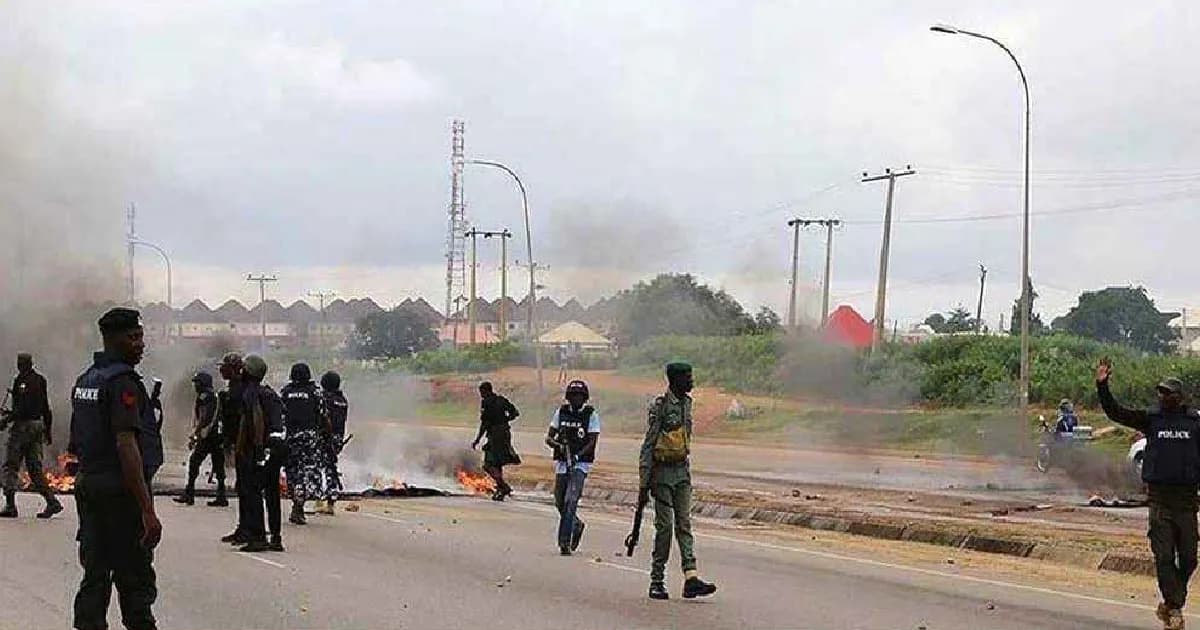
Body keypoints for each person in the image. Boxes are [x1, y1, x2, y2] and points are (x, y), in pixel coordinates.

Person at [69, 307, 164, 630]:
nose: (140, 344)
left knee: (95, 573)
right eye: (133, 337)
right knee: (135, 578)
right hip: (120, 494)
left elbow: (76, 442)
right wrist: (146, 509)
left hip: (90, 487)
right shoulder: (122, 383)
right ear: (113, 339)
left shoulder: (87, 380)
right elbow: (127, 446)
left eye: (141, 336)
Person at [1096, 358, 1198, 630]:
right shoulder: (1152, 419)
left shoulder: (1194, 422)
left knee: (1189, 559)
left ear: (1179, 397)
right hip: (1160, 502)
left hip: (1187, 503)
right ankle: (1174, 609)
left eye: (1168, 393)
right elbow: (1116, 412)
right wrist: (1102, 385)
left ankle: (1171, 603)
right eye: (1160, 392)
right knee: (1164, 557)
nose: (1162, 396)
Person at [639, 362, 717, 601]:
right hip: (661, 475)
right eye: (688, 378)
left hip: (681, 473)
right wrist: (644, 482)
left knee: (684, 525)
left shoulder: (687, 404)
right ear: (674, 380)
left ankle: (691, 577)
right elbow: (649, 443)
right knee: (665, 528)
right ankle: (657, 580)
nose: (692, 382)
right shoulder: (660, 407)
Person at [0, 352, 63, 519]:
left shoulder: (21, 381)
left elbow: (23, 408)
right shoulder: (40, 380)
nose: (19, 365)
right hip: (37, 426)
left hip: (23, 427)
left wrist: (6, 419)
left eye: (20, 363)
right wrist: (48, 430)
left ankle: (11, 505)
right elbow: (45, 407)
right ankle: (52, 501)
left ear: (23, 364)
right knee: (34, 468)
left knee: (10, 465)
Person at [237, 354, 285, 553]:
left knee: (254, 492)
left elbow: (260, 424)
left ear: (248, 372)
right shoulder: (265, 393)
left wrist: (260, 452)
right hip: (273, 448)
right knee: (271, 494)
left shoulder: (254, 394)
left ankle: (258, 537)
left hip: (264, 449)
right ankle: (275, 537)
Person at [545, 379, 598, 556]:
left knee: (571, 500)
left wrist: (577, 456)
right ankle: (576, 524)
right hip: (562, 463)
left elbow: (592, 442)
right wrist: (558, 445)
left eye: (579, 396)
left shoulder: (591, 415)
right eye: (573, 396)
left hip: (580, 464)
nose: (576, 399)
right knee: (559, 500)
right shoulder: (561, 412)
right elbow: (549, 437)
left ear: (585, 398)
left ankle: (564, 542)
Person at [281, 362, 329, 526]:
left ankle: (297, 502)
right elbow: (324, 417)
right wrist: (327, 439)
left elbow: (281, 416)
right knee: (308, 473)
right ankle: (299, 505)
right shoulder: (315, 392)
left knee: (293, 472)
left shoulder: (286, 392)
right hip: (309, 439)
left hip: (291, 438)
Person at [173, 371, 226, 507]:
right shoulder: (214, 395)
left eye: (197, 382)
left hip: (208, 435)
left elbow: (204, 416)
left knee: (194, 462)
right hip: (217, 435)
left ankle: (189, 493)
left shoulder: (205, 396)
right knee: (219, 465)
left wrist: (195, 434)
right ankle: (221, 495)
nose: (195, 385)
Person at [216, 353, 250, 544]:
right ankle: (243, 527)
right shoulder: (233, 389)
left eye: (225, 367)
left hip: (243, 446)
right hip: (237, 444)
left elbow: (242, 420)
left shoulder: (240, 390)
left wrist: (238, 444)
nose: (221, 370)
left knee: (246, 488)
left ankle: (249, 529)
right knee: (242, 488)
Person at [472, 381, 521, 501]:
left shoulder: (486, 402)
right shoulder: (501, 400)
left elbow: (484, 423)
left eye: (481, 392)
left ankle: (504, 487)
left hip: (495, 435)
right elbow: (515, 413)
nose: (481, 395)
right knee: (497, 463)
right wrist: (504, 420)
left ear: (486, 391)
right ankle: (500, 489)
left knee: (488, 465)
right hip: (505, 433)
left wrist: (477, 440)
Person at [319, 371, 348, 515]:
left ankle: (319, 501)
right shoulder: (342, 400)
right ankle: (331, 503)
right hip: (337, 439)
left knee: (318, 468)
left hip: (324, 437)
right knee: (331, 468)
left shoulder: (324, 399)